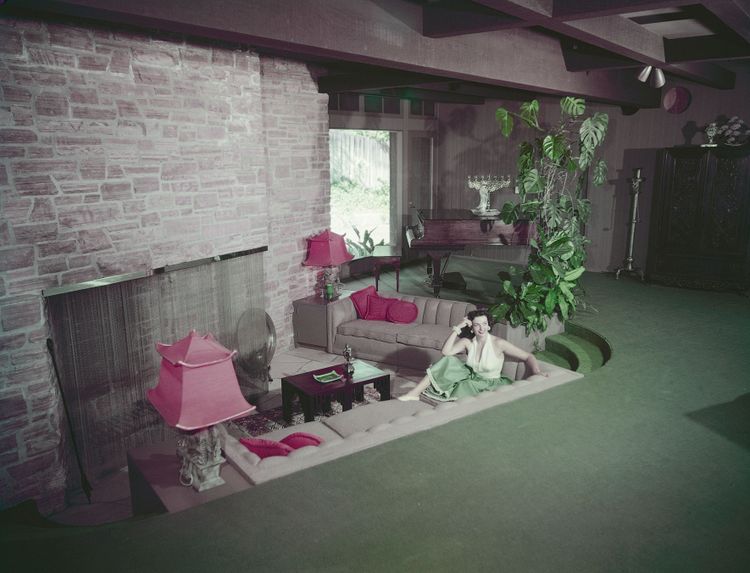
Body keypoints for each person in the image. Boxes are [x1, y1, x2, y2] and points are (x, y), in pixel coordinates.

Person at [397, 309, 547, 402]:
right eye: (477, 325)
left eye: (484, 324)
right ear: (472, 327)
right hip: (472, 379)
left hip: (491, 383)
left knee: (463, 388)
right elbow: (446, 352)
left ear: (489, 325)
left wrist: (537, 372)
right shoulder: (467, 342)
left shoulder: (499, 343)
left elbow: (528, 356)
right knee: (448, 360)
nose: (481, 328)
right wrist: (458, 328)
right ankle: (414, 393)